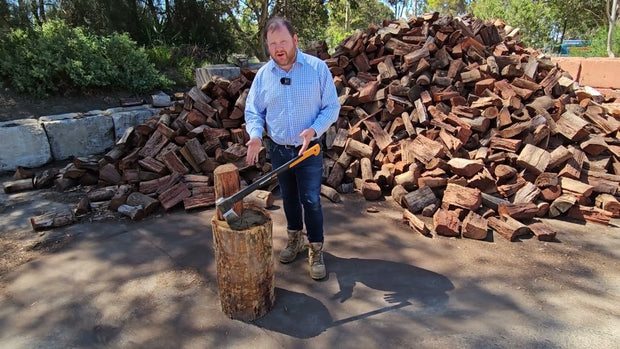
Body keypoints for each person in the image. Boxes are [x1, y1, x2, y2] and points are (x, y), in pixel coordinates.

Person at [244, 17, 340, 280]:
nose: (278, 48)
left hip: (308, 150)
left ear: (295, 40)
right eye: (272, 43)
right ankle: (295, 240)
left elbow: (332, 107)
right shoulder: (264, 76)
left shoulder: (317, 69)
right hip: (278, 149)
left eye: (283, 41)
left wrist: (314, 130)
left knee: (310, 199)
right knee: (288, 197)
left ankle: (316, 248)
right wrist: (254, 136)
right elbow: (253, 111)